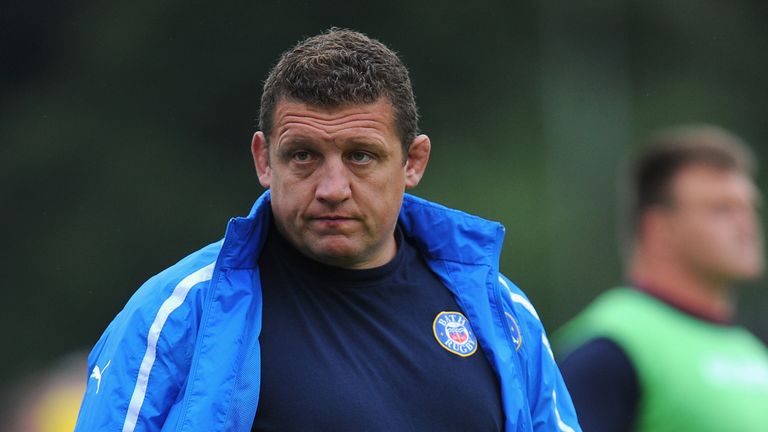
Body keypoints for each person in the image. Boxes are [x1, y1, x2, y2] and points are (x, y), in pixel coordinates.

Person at [75, 28, 580, 431]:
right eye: (303, 156)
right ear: (263, 160)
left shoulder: (500, 311)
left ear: (413, 162)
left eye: (361, 156)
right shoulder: (177, 314)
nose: (332, 187)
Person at [555, 124, 768, 432]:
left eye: (749, 208)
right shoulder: (610, 347)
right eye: (722, 210)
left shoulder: (750, 350)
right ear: (659, 230)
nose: (747, 226)